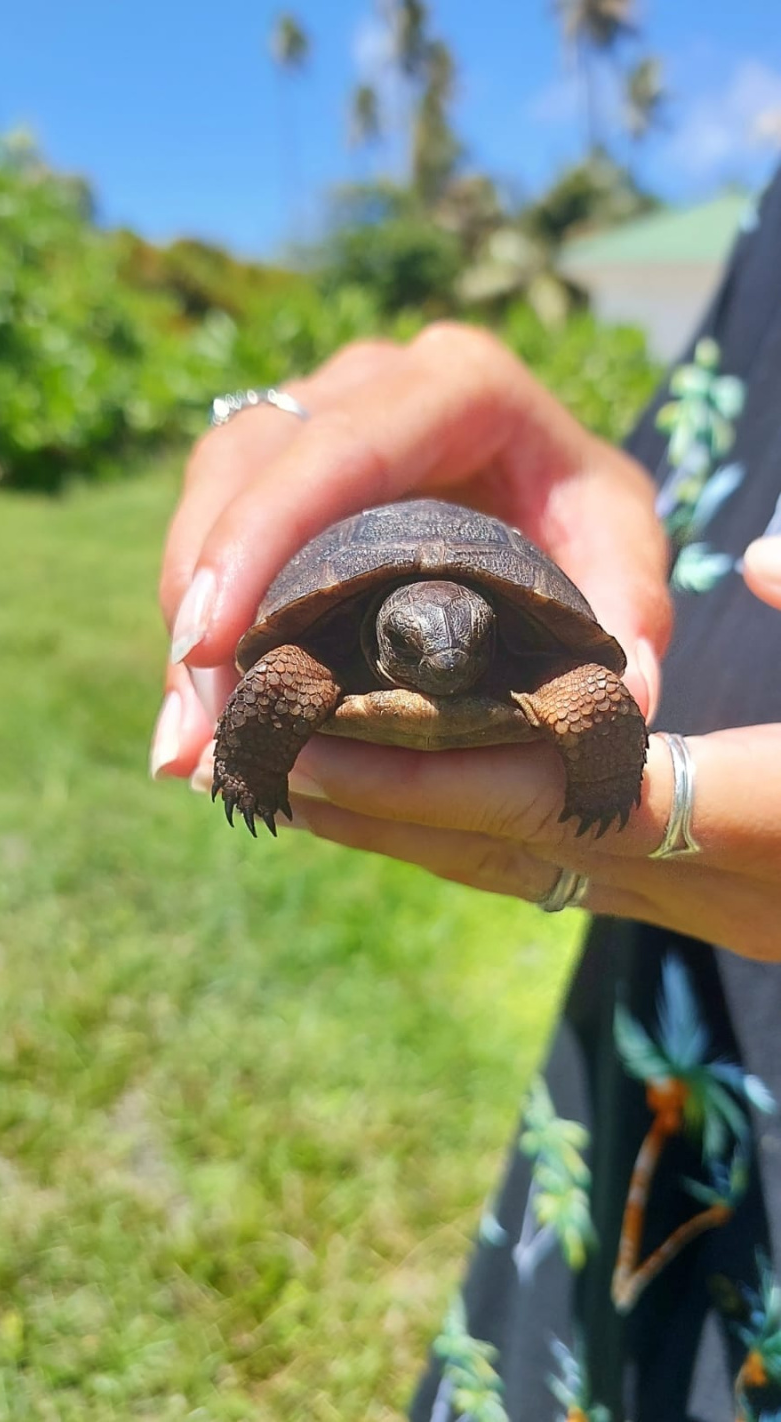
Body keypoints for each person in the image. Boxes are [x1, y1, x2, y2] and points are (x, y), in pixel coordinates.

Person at [151, 168, 781, 1420]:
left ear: (486, 630)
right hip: (649, 1038)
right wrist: (594, 470)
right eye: (408, 646)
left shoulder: (532, 657)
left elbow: (592, 696)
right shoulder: (322, 646)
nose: (440, 657)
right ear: (377, 636)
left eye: (457, 641)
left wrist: (609, 780)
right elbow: (277, 668)